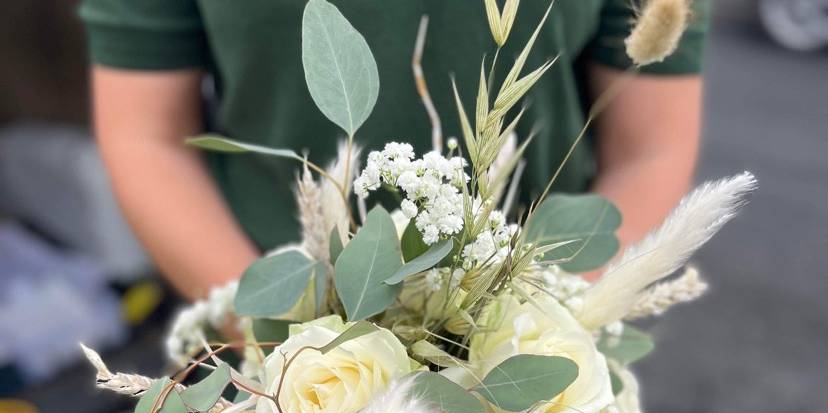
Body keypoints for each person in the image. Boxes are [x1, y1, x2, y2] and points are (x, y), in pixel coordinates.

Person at [79, 0, 710, 300]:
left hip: (536, 341)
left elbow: (650, 146)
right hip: (272, 342)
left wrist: (542, 322)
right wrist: (275, 342)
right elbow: (148, 134)